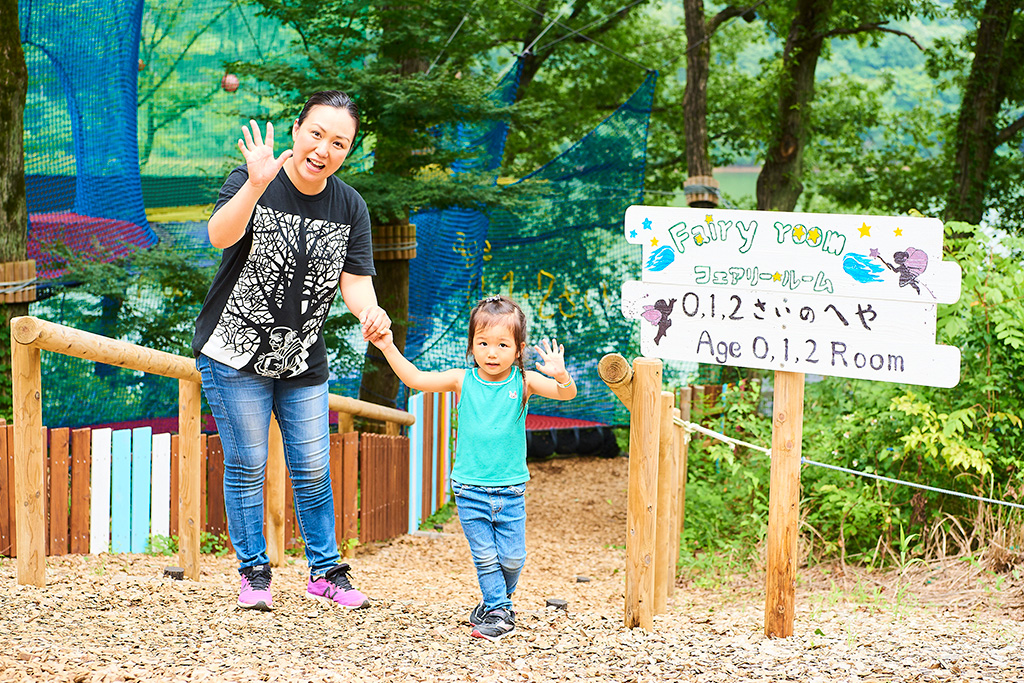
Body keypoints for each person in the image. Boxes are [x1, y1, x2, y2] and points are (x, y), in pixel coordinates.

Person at [192, 90, 390, 612]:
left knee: (312, 467)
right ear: (298, 129)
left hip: (302, 357)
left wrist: (371, 312)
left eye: (338, 142)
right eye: (316, 133)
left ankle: (326, 573)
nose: (324, 148)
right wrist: (255, 185)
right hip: (233, 353)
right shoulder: (254, 178)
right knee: (248, 461)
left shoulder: (350, 205)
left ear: (348, 151)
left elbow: (356, 281)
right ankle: (254, 573)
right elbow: (218, 235)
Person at [370, 295, 577, 641]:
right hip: (469, 488)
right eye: (483, 343)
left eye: (501, 345)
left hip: (511, 489)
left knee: (512, 559)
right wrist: (388, 347)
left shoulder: (523, 383)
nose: (491, 353)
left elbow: (565, 395)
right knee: (485, 556)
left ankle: (493, 603)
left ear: (518, 349)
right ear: (471, 346)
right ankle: (499, 611)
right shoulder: (462, 380)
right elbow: (416, 379)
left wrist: (562, 375)